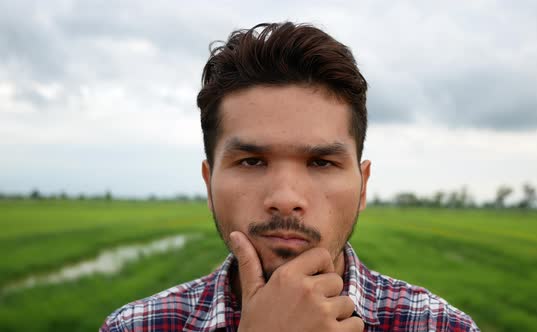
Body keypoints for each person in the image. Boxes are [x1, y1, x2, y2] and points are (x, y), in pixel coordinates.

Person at [100, 21, 479, 332]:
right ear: (209, 183)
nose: (285, 196)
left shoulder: (438, 326)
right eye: (251, 161)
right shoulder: (136, 326)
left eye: (321, 163)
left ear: (363, 185)